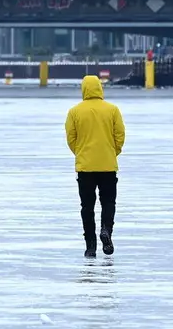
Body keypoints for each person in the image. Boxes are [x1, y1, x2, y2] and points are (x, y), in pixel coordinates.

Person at [65, 74, 125, 257]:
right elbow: (120, 136)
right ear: (100, 88)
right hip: (108, 165)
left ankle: (90, 245)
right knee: (108, 202)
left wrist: (81, 152)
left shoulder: (74, 112)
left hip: (85, 168)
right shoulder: (112, 110)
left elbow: (71, 138)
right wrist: (111, 152)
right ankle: (106, 231)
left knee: (87, 207)